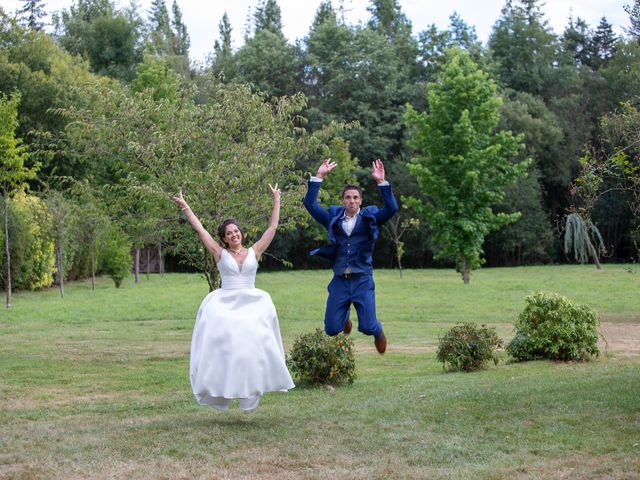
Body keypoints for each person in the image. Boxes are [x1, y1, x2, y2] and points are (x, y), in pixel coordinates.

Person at [173, 184, 294, 411]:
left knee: (255, 345)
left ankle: (255, 384)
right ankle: (224, 386)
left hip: (252, 303)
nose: (234, 235)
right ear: (225, 239)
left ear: (242, 234)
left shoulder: (254, 251)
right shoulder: (220, 253)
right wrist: (186, 207)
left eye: (236, 231)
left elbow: (273, 227)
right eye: (229, 233)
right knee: (227, 345)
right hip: (226, 302)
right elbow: (201, 230)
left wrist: (276, 200)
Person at [303, 159, 398, 353]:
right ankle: (344, 314)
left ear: (361, 201)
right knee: (331, 329)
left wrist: (381, 182)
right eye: (348, 197)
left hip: (362, 280)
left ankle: (378, 331)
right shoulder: (333, 219)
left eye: (355, 197)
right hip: (339, 280)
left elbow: (391, 209)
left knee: (368, 327)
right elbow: (310, 204)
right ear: (343, 200)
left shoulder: (370, 219)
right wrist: (319, 176)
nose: (352, 201)